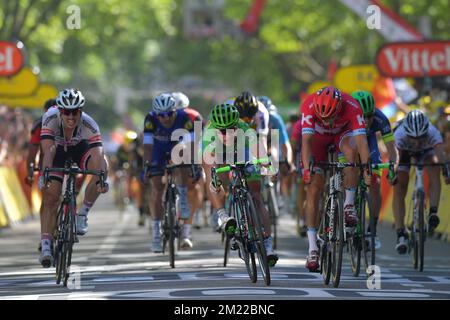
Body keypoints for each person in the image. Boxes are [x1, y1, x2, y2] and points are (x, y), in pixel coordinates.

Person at [300, 86, 371, 272]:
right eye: (323, 118)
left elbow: (362, 142)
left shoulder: (352, 106)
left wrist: (367, 170)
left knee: (351, 154)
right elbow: (306, 142)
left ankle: (348, 205)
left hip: (342, 136)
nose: (328, 121)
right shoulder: (308, 106)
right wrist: (308, 170)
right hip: (318, 141)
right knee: (314, 188)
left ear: (339, 108)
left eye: (331, 117)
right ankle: (313, 248)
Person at [202, 102, 278, 267]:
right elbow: (208, 162)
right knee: (215, 175)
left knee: (256, 196)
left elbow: (258, 151)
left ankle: (267, 244)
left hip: (242, 151)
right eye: (223, 131)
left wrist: (266, 163)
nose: (228, 133)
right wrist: (215, 180)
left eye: (232, 129)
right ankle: (223, 216)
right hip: (219, 153)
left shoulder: (244, 127)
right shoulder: (209, 133)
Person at [38, 88, 109, 267]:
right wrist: (44, 174)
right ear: (59, 110)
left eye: (75, 111)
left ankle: (83, 213)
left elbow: (98, 154)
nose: (70, 116)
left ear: (81, 111)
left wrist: (101, 178)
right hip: (57, 152)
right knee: (51, 197)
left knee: (103, 166)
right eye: (66, 112)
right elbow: (48, 150)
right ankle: (46, 245)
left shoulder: (89, 124)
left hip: (81, 150)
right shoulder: (50, 118)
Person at [142, 93, 202, 252]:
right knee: (157, 189)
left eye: (169, 114)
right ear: (156, 114)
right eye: (161, 115)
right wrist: (147, 166)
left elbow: (192, 145)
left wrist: (194, 165)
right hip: (158, 150)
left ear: (175, 111)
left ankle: (182, 196)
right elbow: (147, 147)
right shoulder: (150, 118)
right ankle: (156, 232)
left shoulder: (185, 118)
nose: (165, 118)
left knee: (183, 154)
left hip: (179, 146)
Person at [392, 110, 450, 254]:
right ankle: (400, 234)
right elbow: (395, 159)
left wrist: (445, 170)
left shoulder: (432, 132)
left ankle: (433, 212)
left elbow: (440, 154)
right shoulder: (399, 134)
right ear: (407, 132)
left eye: (421, 137)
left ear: (426, 131)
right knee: (400, 185)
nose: (417, 141)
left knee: (435, 168)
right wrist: (393, 173)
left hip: (427, 151)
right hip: (404, 153)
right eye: (413, 138)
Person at [351, 90, 398, 250]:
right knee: (346, 173)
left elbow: (392, 148)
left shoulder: (381, 118)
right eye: (362, 116)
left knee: (375, 183)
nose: (366, 120)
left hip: (369, 143)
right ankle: (345, 208)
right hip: (349, 141)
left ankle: (372, 229)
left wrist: (393, 168)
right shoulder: (346, 119)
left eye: (369, 116)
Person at [25, 99, 56, 186]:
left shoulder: (39, 124)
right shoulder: (39, 125)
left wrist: (29, 174)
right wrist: (30, 173)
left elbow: (32, 154)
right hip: (47, 167)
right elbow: (32, 153)